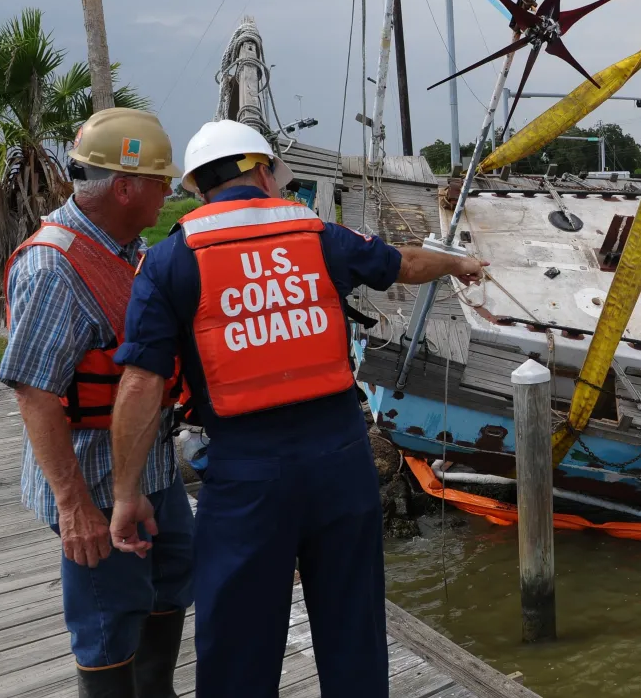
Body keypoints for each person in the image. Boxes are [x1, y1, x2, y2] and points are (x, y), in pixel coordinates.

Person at [107, 120, 488, 698]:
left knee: (237, 647)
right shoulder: (316, 234)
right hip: (340, 464)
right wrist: (459, 263)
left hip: (245, 478)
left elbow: (141, 384)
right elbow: (405, 264)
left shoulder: (170, 259)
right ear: (262, 171)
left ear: (199, 186)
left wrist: (126, 494)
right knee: (353, 632)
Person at [0, 108, 193, 698]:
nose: (168, 193)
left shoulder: (130, 251)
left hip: (153, 470)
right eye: (161, 182)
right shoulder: (55, 265)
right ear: (125, 187)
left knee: (171, 582)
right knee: (108, 621)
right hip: (95, 485)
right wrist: (75, 508)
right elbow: (34, 392)